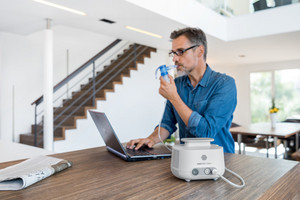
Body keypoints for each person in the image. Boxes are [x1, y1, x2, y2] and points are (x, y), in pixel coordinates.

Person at [127, 27, 237, 153]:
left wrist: (174, 97)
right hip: (187, 158)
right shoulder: (177, 84)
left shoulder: (224, 84)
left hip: (221, 160)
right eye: (173, 53)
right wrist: (150, 139)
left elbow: (207, 132)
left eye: (180, 51)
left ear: (200, 51)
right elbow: (167, 125)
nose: (175, 59)